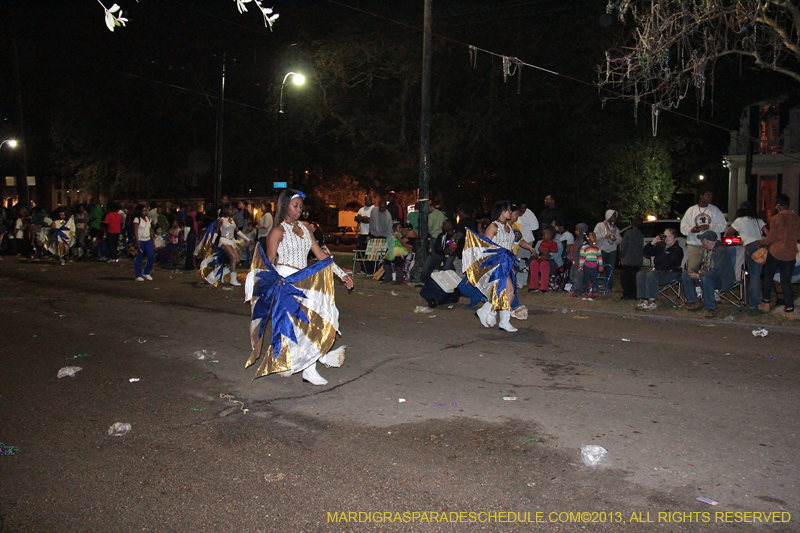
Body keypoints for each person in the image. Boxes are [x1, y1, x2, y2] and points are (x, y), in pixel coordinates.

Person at [246, 189, 354, 386]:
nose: (299, 210)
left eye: (301, 206)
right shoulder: (277, 232)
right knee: (302, 326)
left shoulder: (304, 229)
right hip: (286, 282)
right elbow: (269, 263)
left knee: (321, 318)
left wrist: (342, 274)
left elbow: (321, 256)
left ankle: (307, 366)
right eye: (295, 206)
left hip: (304, 280)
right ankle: (309, 368)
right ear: (284, 206)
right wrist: (268, 285)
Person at [464, 201, 535, 332]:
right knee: (508, 291)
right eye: (508, 210)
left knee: (508, 293)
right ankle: (495, 316)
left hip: (508, 263)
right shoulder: (493, 227)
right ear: (501, 212)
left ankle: (495, 315)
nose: (510, 212)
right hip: (497, 263)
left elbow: (517, 241)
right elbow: (485, 246)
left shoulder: (510, 227)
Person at [757, 193, 800, 319]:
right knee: (786, 281)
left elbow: (772, 237)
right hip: (790, 252)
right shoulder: (797, 219)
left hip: (776, 252)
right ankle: (789, 309)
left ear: (778, 206)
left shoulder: (776, 218)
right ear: (789, 205)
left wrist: (761, 242)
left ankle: (766, 303)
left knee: (768, 277)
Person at [682, 230, 735, 318]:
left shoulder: (720, 251)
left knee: (706, 279)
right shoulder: (706, 251)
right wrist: (694, 271)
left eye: (702, 240)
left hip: (721, 279)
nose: (701, 242)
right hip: (706, 275)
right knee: (686, 275)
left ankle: (711, 307)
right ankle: (694, 301)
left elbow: (717, 271)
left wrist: (699, 276)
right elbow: (700, 264)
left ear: (707, 241)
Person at [726, 202, 767, 310]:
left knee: (754, 275)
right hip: (762, 246)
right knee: (756, 274)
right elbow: (768, 233)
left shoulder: (739, 221)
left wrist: (740, 238)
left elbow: (728, 233)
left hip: (750, 246)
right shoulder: (758, 220)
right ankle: (751, 300)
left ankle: (755, 303)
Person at [635, 228, 684, 311]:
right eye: (665, 236)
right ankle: (644, 300)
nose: (667, 238)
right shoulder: (661, 247)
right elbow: (646, 251)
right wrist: (653, 242)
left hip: (672, 273)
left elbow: (669, 263)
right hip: (659, 272)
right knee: (641, 274)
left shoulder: (677, 250)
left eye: (669, 236)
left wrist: (658, 263)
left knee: (651, 275)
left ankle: (652, 301)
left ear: (675, 239)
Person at [680, 187, 728, 272]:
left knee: (710, 270)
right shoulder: (691, 210)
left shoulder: (715, 210)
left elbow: (723, 226)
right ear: (701, 196)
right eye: (707, 195)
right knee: (693, 269)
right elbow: (683, 228)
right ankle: (694, 285)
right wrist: (692, 229)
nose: (710, 197)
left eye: (711, 196)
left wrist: (709, 227)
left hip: (711, 246)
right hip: (695, 245)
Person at [528, 226, 563, 293]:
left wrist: (547, 256)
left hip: (552, 262)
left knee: (544, 264)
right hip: (541, 259)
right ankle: (533, 286)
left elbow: (557, 255)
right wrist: (537, 256)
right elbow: (535, 253)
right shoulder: (540, 242)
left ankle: (544, 287)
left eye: (544, 235)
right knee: (534, 262)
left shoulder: (557, 243)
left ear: (550, 236)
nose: (543, 236)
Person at [593, 209, 620, 292]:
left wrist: (615, 239)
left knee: (610, 268)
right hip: (602, 249)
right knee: (597, 268)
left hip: (612, 250)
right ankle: (595, 284)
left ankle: (609, 286)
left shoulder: (615, 228)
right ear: (608, 216)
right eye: (613, 215)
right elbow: (595, 236)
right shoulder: (600, 225)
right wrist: (605, 236)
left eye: (615, 216)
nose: (615, 217)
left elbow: (620, 240)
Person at [619, 216, 644, 300]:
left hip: (629, 259)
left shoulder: (628, 233)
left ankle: (628, 294)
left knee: (626, 278)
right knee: (634, 279)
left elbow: (624, 246)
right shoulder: (640, 234)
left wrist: (622, 256)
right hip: (637, 260)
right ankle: (634, 294)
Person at [132, 205, 156, 281]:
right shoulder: (137, 219)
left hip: (148, 240)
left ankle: (146, 272)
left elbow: (150, 231)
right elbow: (135, 232)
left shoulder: (148, 219)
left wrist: (153, 241)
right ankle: (138, 275)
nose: (145, 212)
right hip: (141, 240)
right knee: (139, 258)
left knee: (151, 255)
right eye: (144, 211)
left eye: (146, 210)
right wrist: (137, 242)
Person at [578, 232, 603, 300]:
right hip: (586, 267)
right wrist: (580, 267)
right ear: (588, 238)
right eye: (592, 237)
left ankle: (593, 293)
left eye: (595, 237)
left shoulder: (597, 248)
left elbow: (599, 257)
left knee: (594, 280)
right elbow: (582, 258)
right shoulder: (584, 248)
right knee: (586, 280)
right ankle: (586, 293)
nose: (594, 238)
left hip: (594, 267)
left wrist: (600, 266)